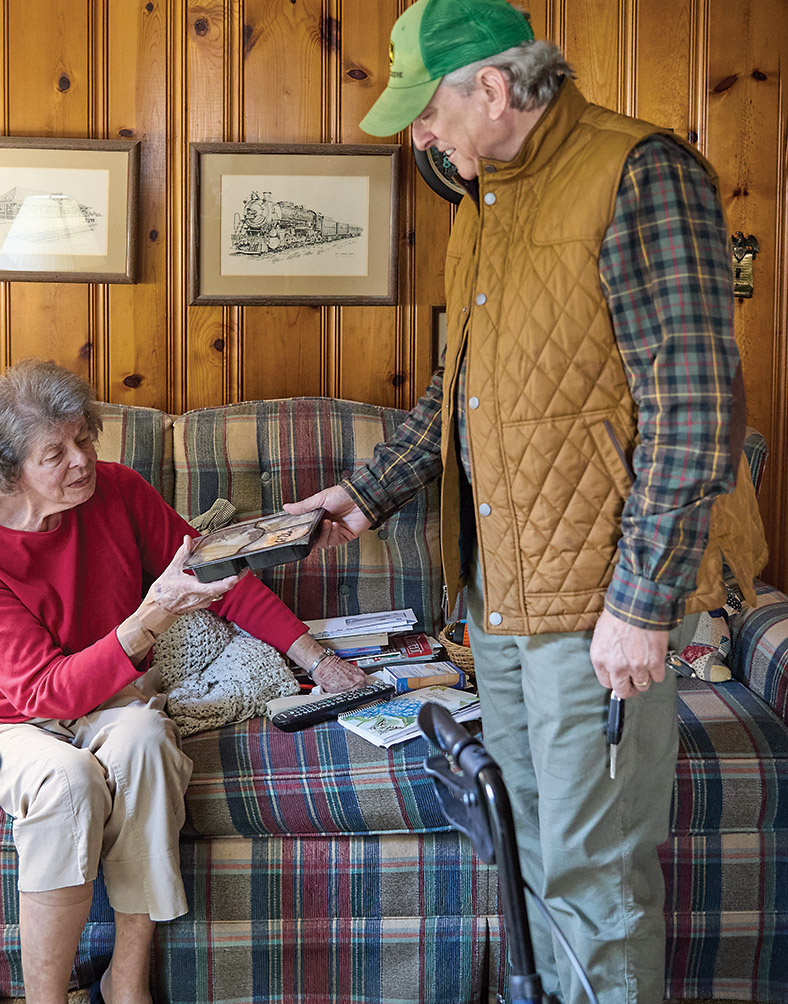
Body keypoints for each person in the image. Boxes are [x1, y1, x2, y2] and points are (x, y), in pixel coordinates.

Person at [282, 1, 768, 1001]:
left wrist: (640, 602)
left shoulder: (641, 174)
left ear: (493, 91)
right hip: (502, 595)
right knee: (528, 847)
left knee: (591, 868)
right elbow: (462, 386)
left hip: (594, 603)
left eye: (426, 113)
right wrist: (366, 490)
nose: (419, 134)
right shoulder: (487, 204)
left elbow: (695, 402)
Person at [0, 359, 365, 1004]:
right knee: (68, 782)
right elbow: (44, 693)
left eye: (84, 439)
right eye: (56, 452)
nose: (81, 462)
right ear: (8, 468)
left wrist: (317, 660)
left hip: (100, 696)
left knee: (147, 738)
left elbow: (220, 577)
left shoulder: (117, 489)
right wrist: (150, 615)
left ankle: (127, 981)